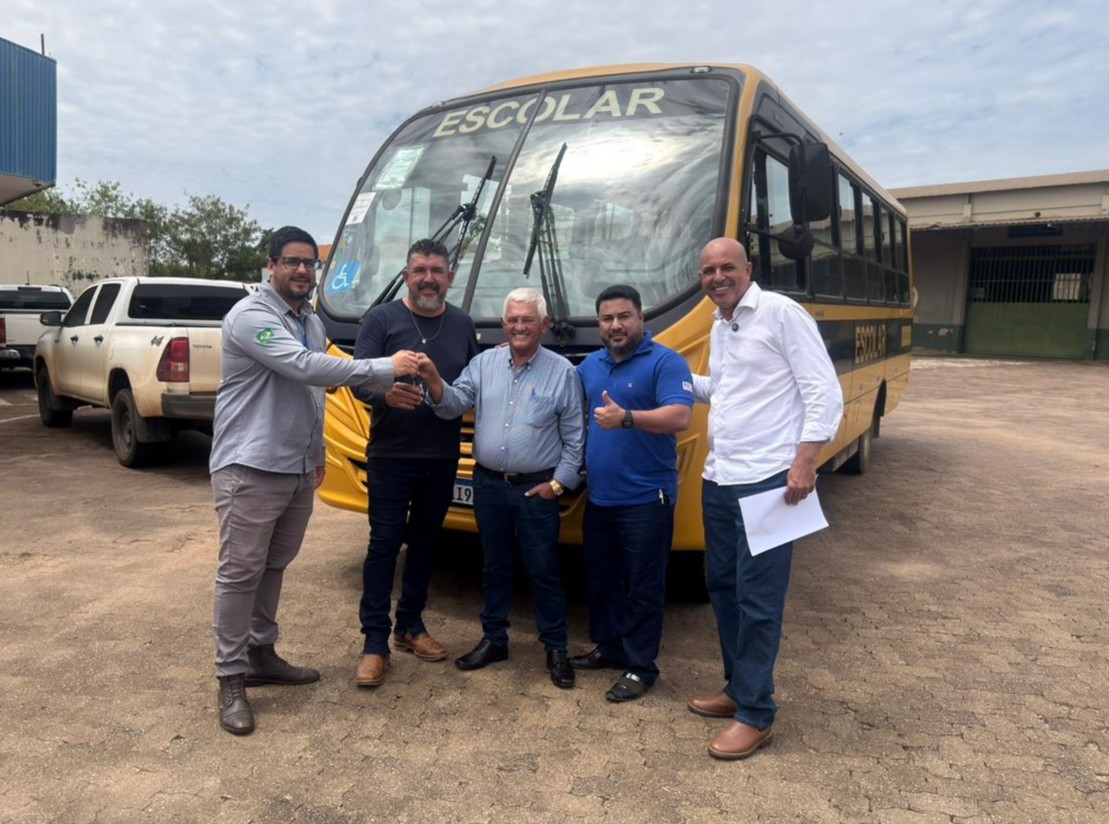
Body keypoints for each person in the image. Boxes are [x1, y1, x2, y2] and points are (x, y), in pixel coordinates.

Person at [211, 225, 420, 736]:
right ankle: (230, 677)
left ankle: (261, 653)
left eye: (310, 263)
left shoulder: (309, 318)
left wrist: (319, 451)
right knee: (239, 573)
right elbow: (305, 367)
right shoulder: (252, 317)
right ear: (271, 266)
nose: (303, 270)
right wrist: (385, 368)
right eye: (292, 261)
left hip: (299, 466)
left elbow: (320, 386)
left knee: (274, 565)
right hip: (251, 466)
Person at [688, 237, 843, 760]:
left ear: (748, 269)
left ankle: (757, 713)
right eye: (708, 270)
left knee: (758, 599)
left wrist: (805, 461)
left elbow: (823, 390)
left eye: (726, 267)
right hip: (720, 477)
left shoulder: (780, 313)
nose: (717, 277)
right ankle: (738, 687)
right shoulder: (721, 324)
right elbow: (725, 391)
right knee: (722, 586)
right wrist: (666, 375)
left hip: (770, 480)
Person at [420, 287, 584, 688]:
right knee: (494, 567)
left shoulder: (563, 372)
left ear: (544, 325)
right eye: (512, 320)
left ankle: (556, 648)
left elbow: (576, 439)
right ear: (503, 323)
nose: (519, 327)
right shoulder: (484, 363)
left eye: (528, 320)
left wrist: (558, 484)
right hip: (489, 485)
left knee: (544, 571)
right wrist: (434, 380)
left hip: (535, 490)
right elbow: (454, 403)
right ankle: (495, 640)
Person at [352, 239, 479, 688]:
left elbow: (471, 385)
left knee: (426, 544)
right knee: (384, 545)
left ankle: (410, 625)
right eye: (420, 270)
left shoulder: (462, 324)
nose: (428, 279)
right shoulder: (381, 319)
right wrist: (384, 394)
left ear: (449, 278)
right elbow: (357, 378)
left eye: (437, 271)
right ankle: (374, 643)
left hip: (442, 455)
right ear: (406, 276)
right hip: (390, 454)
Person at [572, 284, 693, 702]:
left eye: (624, 316)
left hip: (646, 500)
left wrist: (627, 418)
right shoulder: (590, 366)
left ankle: (641, 667)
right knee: (602, 580)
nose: (616, 325)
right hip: (599, 498)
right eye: (607, 318)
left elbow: (679, 416)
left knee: (643, 587)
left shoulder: (666, 362)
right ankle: (609, 648)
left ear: (641, 318)